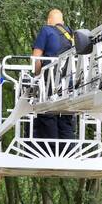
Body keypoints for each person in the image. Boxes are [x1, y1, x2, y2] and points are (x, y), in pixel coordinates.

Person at [31, 9, 76, 142]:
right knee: (66, 117)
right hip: (69, 81)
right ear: (62, 22)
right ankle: (68, 154)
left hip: (50, 81)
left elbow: (36, 58)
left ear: (49, 21)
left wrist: (37, 75)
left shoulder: (46, 30)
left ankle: (49, 153)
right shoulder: (70, 33)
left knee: (48, 114)